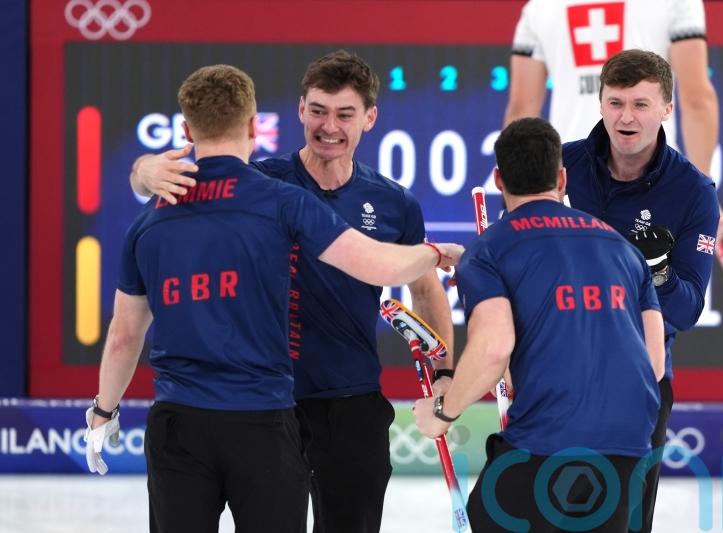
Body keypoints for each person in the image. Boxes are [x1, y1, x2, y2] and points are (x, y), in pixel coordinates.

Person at [84, 64, 463, 533]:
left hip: (347, 401)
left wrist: (445, 372)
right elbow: (194, 173)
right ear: (297, 111)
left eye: (345, 114)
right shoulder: (266, 185)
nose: (329, 126)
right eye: (318, 111)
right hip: (270, 405)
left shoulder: (394, 202)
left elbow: (424, 291)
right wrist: (144, 171)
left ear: (369, 118)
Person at [415, 117, 666, 532]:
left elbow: (494, 347)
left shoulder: (491, 251)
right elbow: (653, 364)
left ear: (499, 179)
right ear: (562, 178)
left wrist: (443, 411)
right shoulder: (621, 248)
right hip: (629, 444)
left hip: (546, 442)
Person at [562, 49, 720, 532]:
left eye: (641, 104)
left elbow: (689, 307)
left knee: (623, 524)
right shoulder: (561, 165)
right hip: (554, 375)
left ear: (667, 108)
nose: (626, 117)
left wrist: (656, 272)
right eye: (615, 102)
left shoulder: (694, 192)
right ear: (601, 103)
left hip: (639, 381)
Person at [503, 0, 723, 239]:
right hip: (656, 181)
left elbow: (521, 110)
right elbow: (697, 100)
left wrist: (521, 196)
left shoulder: (540, 7)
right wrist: (703, 195)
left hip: (565, 182)